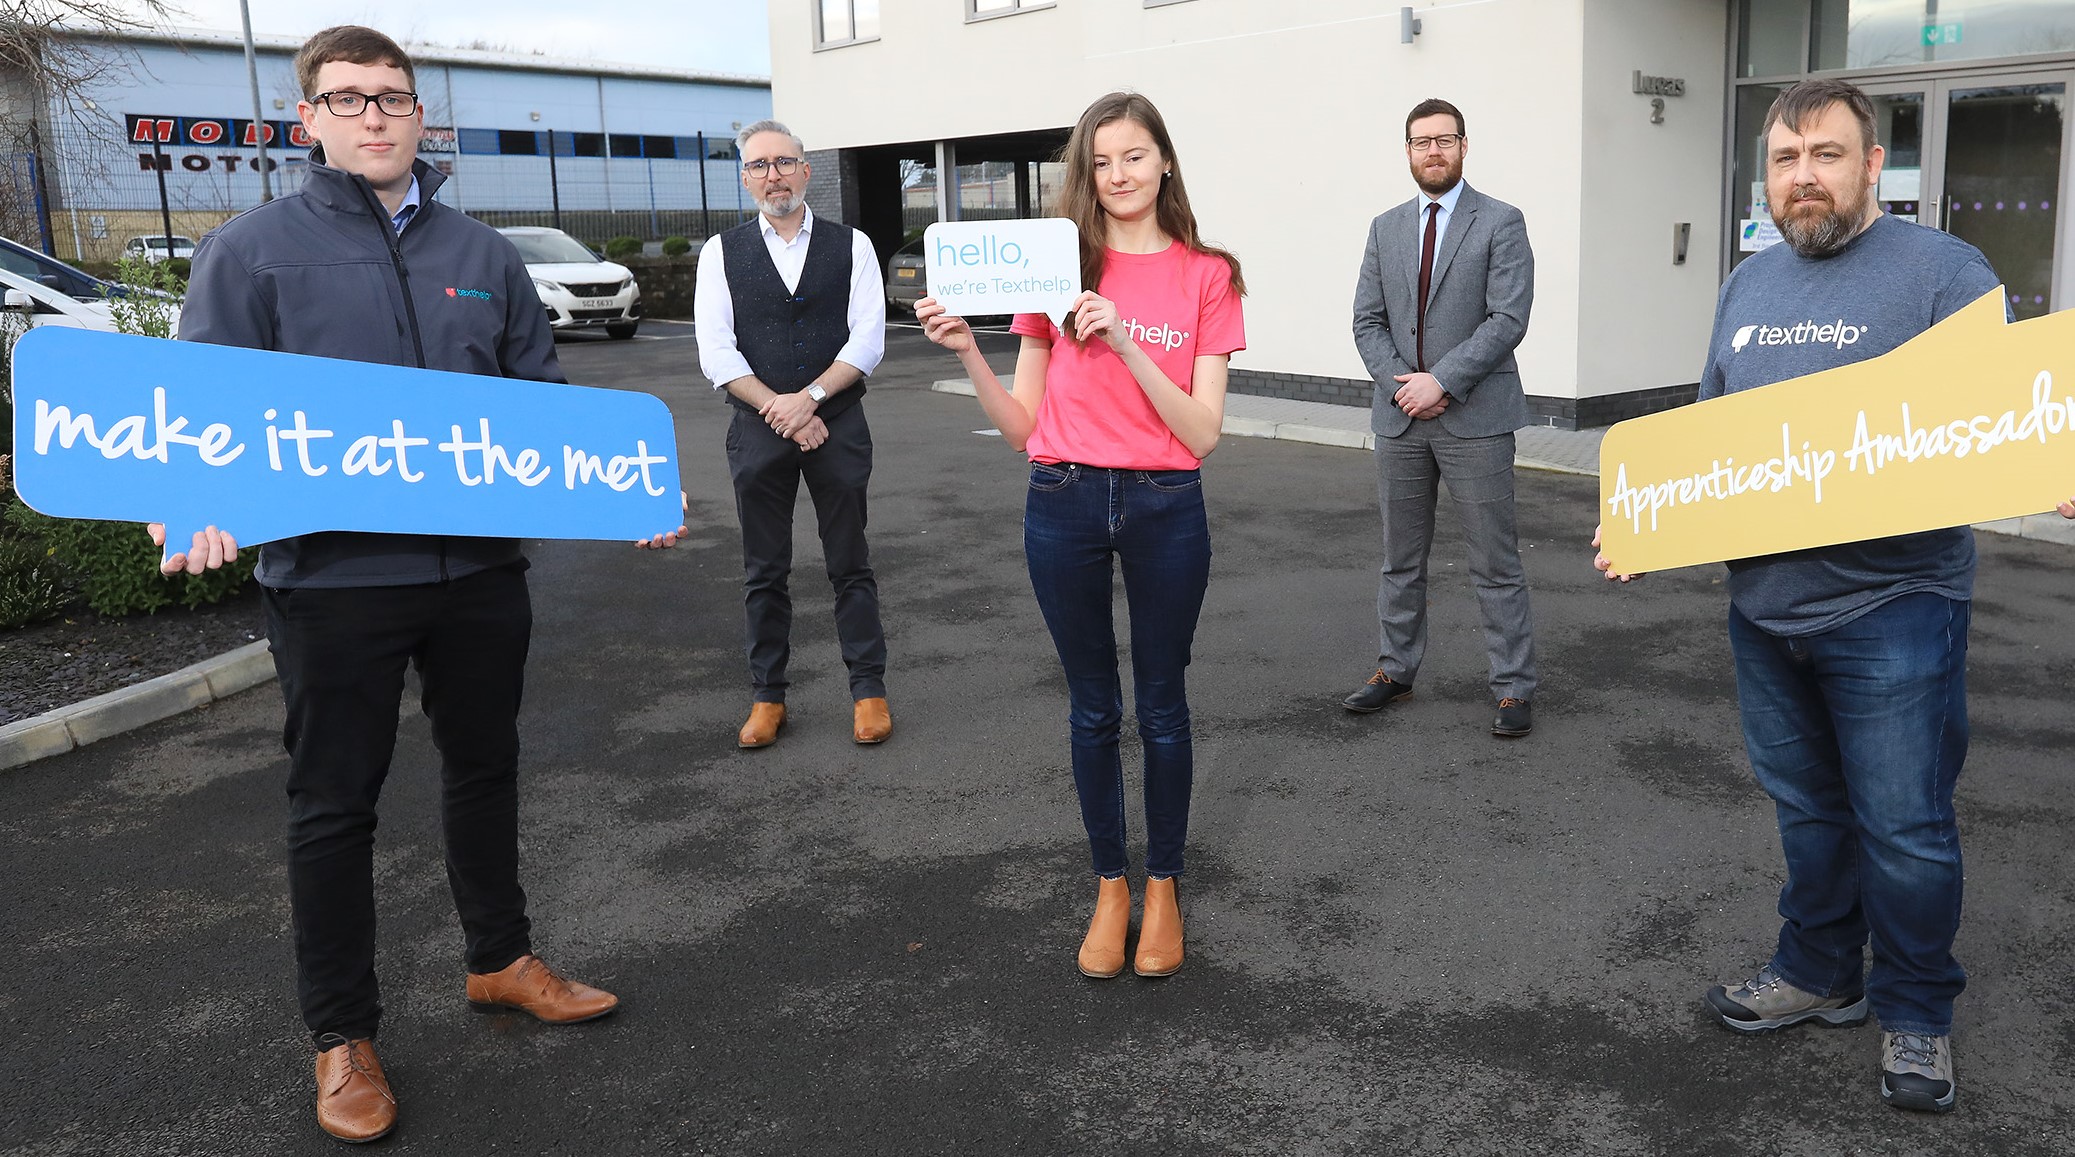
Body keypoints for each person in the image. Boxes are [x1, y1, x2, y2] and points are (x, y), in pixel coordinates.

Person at [155, 26, 679, 1144]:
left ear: (418, 114)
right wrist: (189, 504)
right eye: (349, 99)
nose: (376, 116)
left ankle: (499, 958)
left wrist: (623, 491)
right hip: (333, 579)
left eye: (392, 97)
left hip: (479, 573)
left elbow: (545, 407)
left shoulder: (483, 253)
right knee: (334, 807)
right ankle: (341, 1035)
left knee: (485, 770)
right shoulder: (249, 252)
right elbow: (197, 420)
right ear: (308, 120)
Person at [1595, 78, 2002, 1115]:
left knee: (1903, 826)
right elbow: (1705, 434)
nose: (1802, 175)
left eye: (1825, 154)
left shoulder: (1942, 276)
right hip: (1763, 609)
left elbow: (2000, 426)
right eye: (1783, 159)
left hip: (1894, 605)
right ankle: (1818, 969)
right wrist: (1646, 522)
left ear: (1874, 166)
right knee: (1807, 810)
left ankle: (1914, 1006)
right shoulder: (1747, 285)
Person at [915, 92, 1244, 980]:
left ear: (1164, 162)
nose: (1118, 175)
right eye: (1101, 162)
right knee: (1093, 705)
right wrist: (966, 353)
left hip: (1165, 502)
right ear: (1085, 175)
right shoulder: (1052, 269)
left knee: (1163, 703)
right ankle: (1110, 885)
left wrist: (1128, 341)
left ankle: (1164, 885)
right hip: (1060, 496)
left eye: (1134, 156)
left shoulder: (1208, 273)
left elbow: (1203, 432)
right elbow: (1022, 427)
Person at [694, 120, 891, 750]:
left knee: (849, 563)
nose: (773, 173)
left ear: (807, 171)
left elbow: (868, 339)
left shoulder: (852, 245)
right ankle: (767, 697)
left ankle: (868, 691)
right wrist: (778, 410)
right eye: (758, 165)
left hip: (836, 420)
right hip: (758, 428)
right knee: (764, 570)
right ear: (745, 178)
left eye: (784, 162)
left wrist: (807, 401)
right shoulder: (719, 253)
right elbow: (716, 352)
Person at [1344, 98, 1538, 738]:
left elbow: (1507, 318)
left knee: (1495, 561)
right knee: (1400, 558)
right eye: (1421, 142)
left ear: (1463, 147)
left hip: (1475, 417)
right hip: (1400, 419)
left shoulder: (1501, 222)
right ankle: (1394, 669)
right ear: (1407, 151)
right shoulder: (1384, 227)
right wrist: (1405, 386)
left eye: (1445, 140)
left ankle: (1512, 688)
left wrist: (1442, 382)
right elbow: (1366, 321)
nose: (1434, 151)